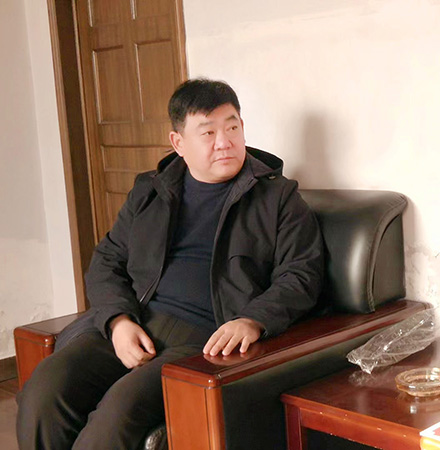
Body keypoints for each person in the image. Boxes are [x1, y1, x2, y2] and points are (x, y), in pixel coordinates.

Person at [16, 79, 324, 449]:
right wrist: (117, 321)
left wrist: (253, 319)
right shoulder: (151, 191)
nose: (224, 142)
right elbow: (107, 261)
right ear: (178, 143)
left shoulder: (278, 197)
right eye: (208, 132)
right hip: (136, 320)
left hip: (205, 339)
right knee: (45, 388)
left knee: (120, 409)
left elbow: (301, 274)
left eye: (232, 127)